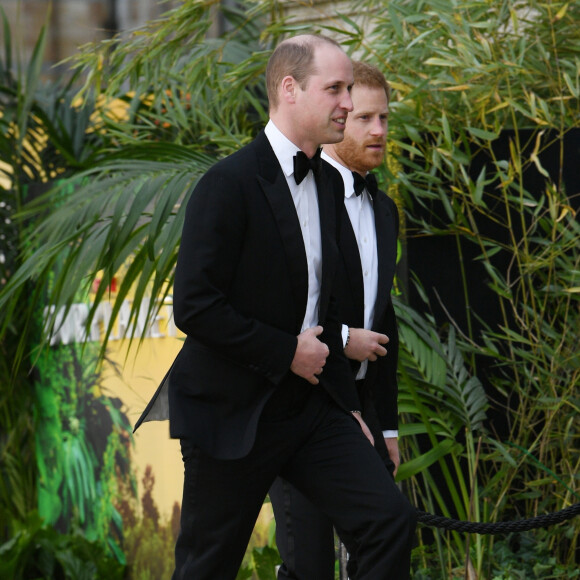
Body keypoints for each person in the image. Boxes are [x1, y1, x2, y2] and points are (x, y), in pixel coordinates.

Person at [134, 36, 415, 579]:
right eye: (335, 88)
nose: (347, 103)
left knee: (388, 522)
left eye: (349, 89)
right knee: (207, 566)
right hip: (231, 407)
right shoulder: (227, 183)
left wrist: (351, 405)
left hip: (310, 410)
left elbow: (326, 306)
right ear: (289, 89)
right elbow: (195, 306)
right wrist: (286, 351)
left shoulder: (331, 187)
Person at [270, 60, 406, 579]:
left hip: (363, 406)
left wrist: (387, 426)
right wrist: (344, 337)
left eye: (385, 119)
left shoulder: (384, 207)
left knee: (386, 540)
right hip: (302, 401)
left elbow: (384, 318)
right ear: (338, 116)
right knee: (308, 562)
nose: (378, 130)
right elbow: (280, 301)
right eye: (365, 117)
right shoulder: (298, 193)